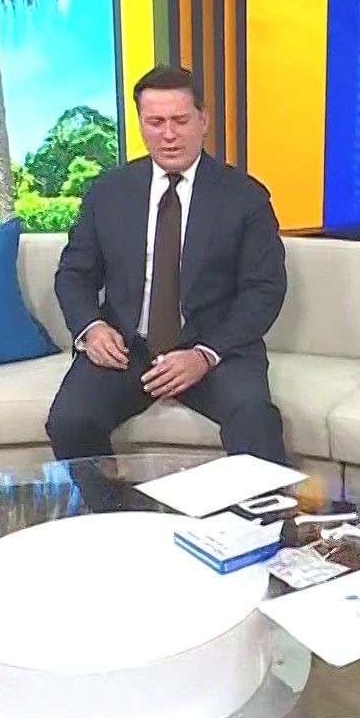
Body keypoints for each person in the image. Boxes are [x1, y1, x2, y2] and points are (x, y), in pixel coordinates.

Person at [46, 65, 291, 466]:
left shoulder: (245, 197)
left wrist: (205, 354)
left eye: (180, 120)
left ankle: (269, 510)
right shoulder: (107, 193)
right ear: (141, 124)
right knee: (70, 421)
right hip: (129, 348)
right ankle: (112, 504)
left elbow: (264, 289)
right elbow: (75, 273)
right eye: (156, 122)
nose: (169, 134)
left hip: (215, 348)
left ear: (203, 120)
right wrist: (92, 328)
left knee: (255, 419)